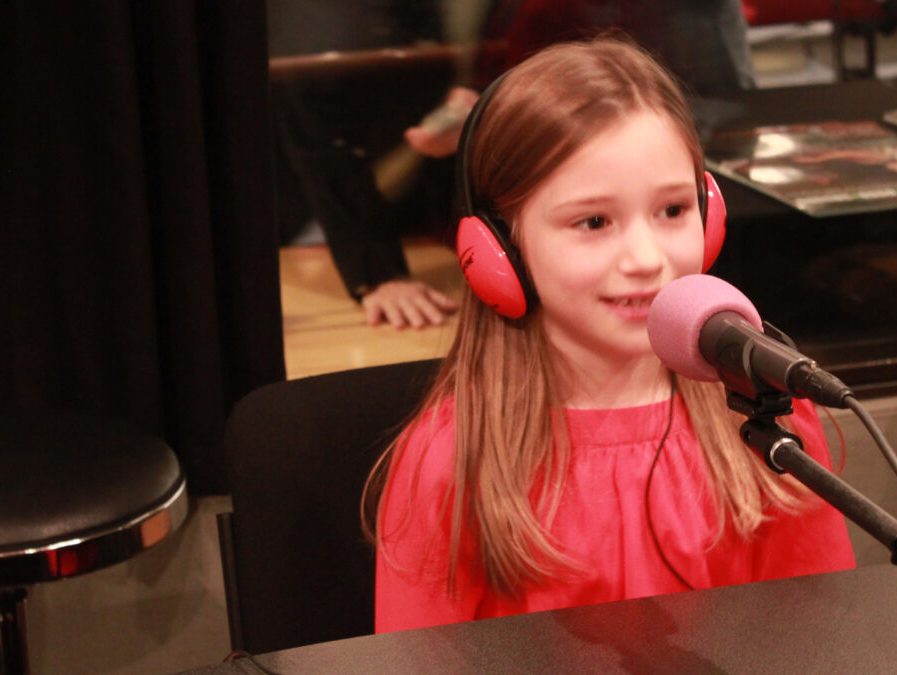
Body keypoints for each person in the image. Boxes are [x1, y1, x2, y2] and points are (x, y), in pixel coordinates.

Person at [362, 37, 855, 634]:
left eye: (673, 210)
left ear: (711, 212)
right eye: (594, 222)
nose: (647, 258)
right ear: (498, 252)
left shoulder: (771, 417)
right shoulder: (449, 463)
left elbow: (813, 645)